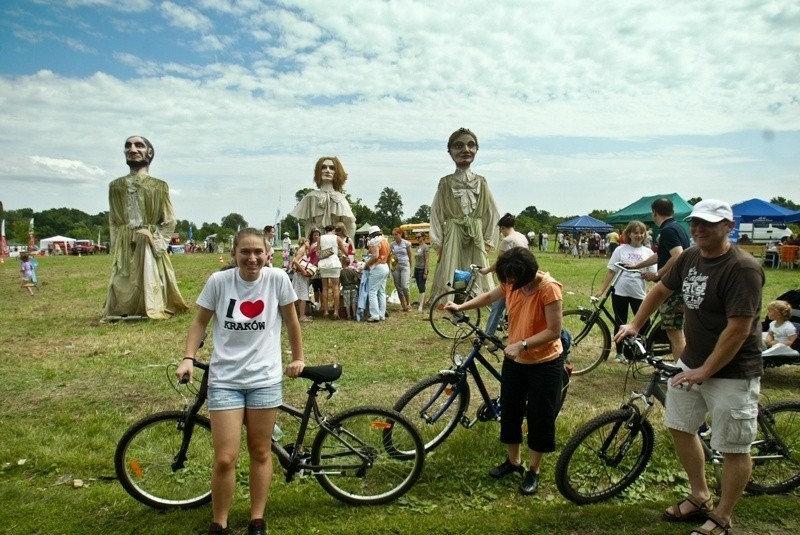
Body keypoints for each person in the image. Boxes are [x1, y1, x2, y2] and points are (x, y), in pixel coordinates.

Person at [615, 199, 764, 535]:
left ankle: (723, 516)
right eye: (695, 222)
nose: (698, 229)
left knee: (732, 446)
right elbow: (661, 290)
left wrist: (705, 371)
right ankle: (700, 496)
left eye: (708, 224)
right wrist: (636, 324)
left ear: (728, 226)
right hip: (693, 360)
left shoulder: (742, 268)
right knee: (681, 425)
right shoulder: (691, 257)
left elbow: (738, 330)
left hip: (733, 370)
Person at [175, 228, 305, 535]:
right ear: (234, 253)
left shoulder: (277, 280)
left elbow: (291, 321)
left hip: (264, 379)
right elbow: (199, 323)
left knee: (260, 451)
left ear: (267, 253)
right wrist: (188, 357)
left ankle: (256, 519)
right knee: (224, 458)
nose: (252, 258)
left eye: (258, 252)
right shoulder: (219, 282)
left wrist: (298, 357)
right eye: (245, 252)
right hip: (226, 379)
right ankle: (219, 522)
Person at [445, 247, 563, 496]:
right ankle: (513, 462)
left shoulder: (548, 288)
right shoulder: (511, 283)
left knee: (539, 416)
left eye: (512, 279)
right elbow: (489, 297)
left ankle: (533, 470)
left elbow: (554, 330)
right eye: (506, 278)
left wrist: (522, 344)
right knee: (510, 411)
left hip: (545, 362)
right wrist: (461, 306)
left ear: (527, 273)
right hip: (516, 361)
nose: (508, 283)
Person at [103, 136, 188, 320]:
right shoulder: (115, 186)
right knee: (123, 277)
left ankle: (150, 305)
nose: (132, 149)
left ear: (149, 152)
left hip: (148, 238)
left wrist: (154, 238)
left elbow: (169, 219)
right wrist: (117, 241)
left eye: (138, 145)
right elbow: (113, 219)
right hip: (126, 239)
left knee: (150, 276)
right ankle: (123, 308)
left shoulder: (159, 186)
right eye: (128, 146)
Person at [428, 127, 500, 302]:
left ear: (476, 149)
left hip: (476, 233)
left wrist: (488, 239)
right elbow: (436, 213)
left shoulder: (481, 181)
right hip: (453, 231)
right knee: (451, 266)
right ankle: (452, 298)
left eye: (471, 145)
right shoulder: (445, 182)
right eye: (459, 146)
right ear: (450, 152)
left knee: (477, 267)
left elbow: (492, 212)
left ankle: (477, 297)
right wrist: (438, 241)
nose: (465, 150)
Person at [626, 197, 691, 359]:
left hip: (673, 288)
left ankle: (680, 374)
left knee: (675, 335)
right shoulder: (678, 227)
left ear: (654, 213)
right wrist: (637, 266)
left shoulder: (667, 230)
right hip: (682, 284)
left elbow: (677, 255)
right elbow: (660, 255)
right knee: (677, 333)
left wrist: (658, 274)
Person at [593, 221, 656, 362]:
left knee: (643, 323)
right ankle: (619, 353)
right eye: (635, 232)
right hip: (620, 291)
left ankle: (640, 352)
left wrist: (650, 276)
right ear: (628, 234)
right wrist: (601, 290)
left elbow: (653, 274)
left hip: (639, 292)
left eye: (641, 233)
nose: (639, 235)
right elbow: (611, 271)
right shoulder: (620, 249)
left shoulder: (648, 252)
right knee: (619, 322)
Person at [480, 213, 529, 339]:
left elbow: (499, 262)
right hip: (524, 276)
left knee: (497, 305)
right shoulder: (522, 237)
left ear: (502, 228)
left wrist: (486, 270)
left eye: (500, 230)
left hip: (512, 278)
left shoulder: (507, 241)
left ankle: (488, 334)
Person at [289, 157, 356, 243]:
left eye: (332, 168)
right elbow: (308, 224)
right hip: (317, 243)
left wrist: (346, 244)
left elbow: (350, 225)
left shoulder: (340, 198)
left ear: (337, 172)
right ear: (318, 171)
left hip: (336, 243)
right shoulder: (310, 197)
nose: (327, 170)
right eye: (323, 167)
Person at [317, 225, 348, 319]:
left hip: (323, 264)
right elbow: (345, 252)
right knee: (336, 288)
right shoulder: (337, 238)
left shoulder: (320, 238)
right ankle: (335, 311)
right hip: (334, 263)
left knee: (325, 288)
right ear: (333, 230)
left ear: (325, 230)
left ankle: (326, 311)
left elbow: (318, 252)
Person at [363, 226, 390, 322]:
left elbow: (375, 256)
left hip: (378, 267)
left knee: (372, 292)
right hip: (385, 265)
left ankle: (375, 315)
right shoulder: (385, 240)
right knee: (381, 292)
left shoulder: (375, 241)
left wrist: (366, 264)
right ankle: (381, 314)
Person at [290, 237, 314, 322]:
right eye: (308, 242)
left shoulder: (303, 250)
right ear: (304, 242)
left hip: (300, 275)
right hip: (301, 275)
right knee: (303, 295)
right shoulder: (302, 250)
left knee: (300, 295)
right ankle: (302, 316)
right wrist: (303, 271)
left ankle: (301, 314)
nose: (309, 244)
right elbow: (295, 261)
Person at [390, 228, 413, 312]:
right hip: (396, 266)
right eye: (393, 234)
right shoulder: (392, 244)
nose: (394, 236)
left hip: (405, 265)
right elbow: (392, 256)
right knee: (398, 286)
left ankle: (408, 303)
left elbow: (410, 257)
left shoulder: (406, 243)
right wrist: (393, 265)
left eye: (396, 234)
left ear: (400, 234)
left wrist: (410, 268)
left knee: (404, 286)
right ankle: (403, 305)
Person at [339, 255, 360, 320]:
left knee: (347, 303)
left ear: (342, 263)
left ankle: (348, 316)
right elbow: (356, 279)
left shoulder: (341, 272)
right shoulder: (352, 270)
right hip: (353, 288)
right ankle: (354, 314)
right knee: (354, 302)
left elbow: (339, 281)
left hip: (345, 288)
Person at [413, 233, 430, 312]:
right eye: (416, 237)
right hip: (417, 269)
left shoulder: (426, 247)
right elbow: (416, 260)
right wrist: (414, 272)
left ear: (423, 237)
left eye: (419, 237)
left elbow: (427, 260)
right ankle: (423, 302)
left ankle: (421, 306)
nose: (417, 239)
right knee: (420, 287)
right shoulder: (417, 247)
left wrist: (425, 272)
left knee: (422, 287)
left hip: (422, 269)